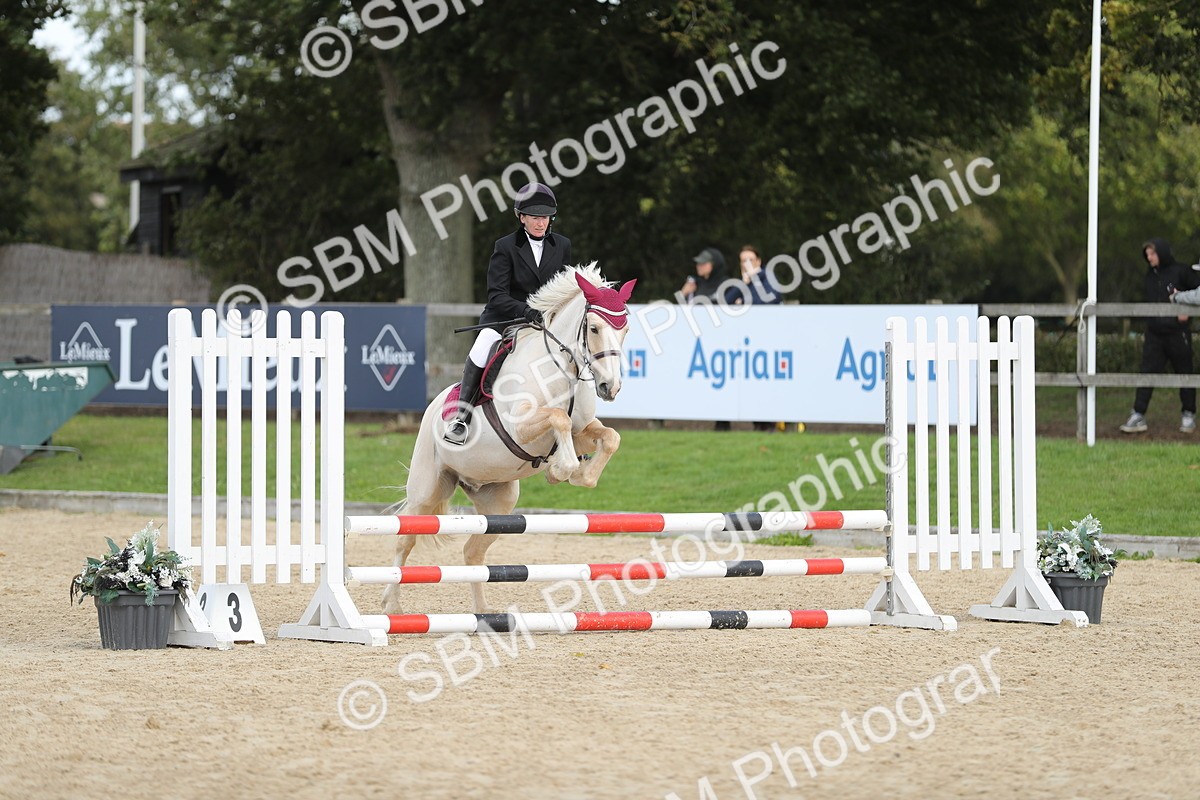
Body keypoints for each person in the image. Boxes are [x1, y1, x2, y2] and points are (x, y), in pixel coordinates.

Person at [443, 182, 572, 445]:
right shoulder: (505, 246)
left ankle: (576, 427)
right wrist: (526, 310)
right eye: (535, 217)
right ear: (521, 217)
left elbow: (566, 288)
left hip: (544, 322)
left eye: (545, 218)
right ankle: (461, 416)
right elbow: (496, 295)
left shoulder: (562, 246)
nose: (540, 223)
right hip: (506, 318)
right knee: (482, 347)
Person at [1119, 238, 1197, 435]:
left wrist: (1186, 309)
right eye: (1147, 255)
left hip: (1178, 333)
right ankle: (1138, 414)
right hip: (1155, 334)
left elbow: (1197, 291)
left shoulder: (1181, 271)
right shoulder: (1150, 275)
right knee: (1147, 373)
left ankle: (1188, 414)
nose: (1149, 258)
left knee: (1185, 373)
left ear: (1161, 252)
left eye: (1152, 254)